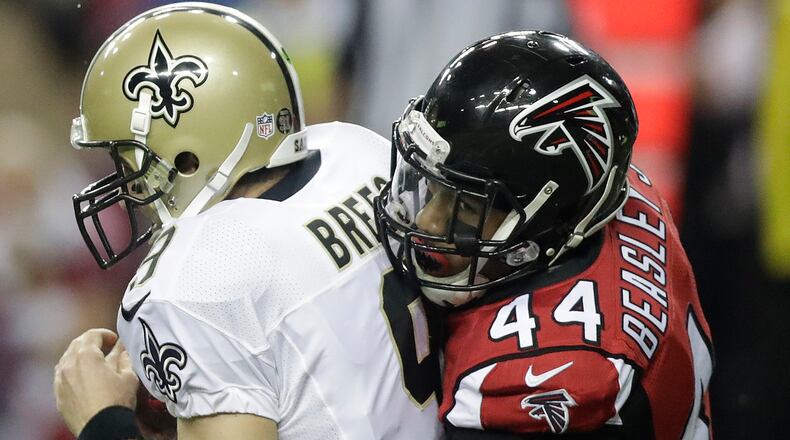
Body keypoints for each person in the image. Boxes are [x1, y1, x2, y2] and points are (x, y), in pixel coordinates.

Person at [59, 2, 443, 439]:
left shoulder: (194, 279)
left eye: (127, 158)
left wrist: (101, 421)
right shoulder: (360, 152)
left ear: (188, 156)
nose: (127, 182)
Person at [374, 31, 713, 438]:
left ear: (551, 217)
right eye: (436, 189)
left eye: (465, 205)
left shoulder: (538, 378)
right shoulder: (619, 190)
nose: (428, 221)